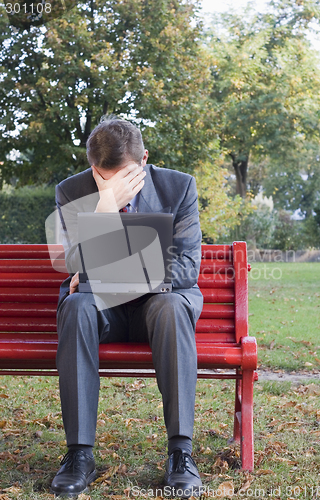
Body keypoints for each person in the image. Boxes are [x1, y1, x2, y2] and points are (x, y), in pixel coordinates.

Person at [50, 116, 204, 498]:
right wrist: (103, 210)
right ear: (92, 167)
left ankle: (180, 452)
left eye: (125, 177)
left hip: (158, 307)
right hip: (104, 311)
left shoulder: (178, 187)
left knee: (170, 305)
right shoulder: (72, 191)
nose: (115, 185)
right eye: (105, 177)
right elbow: (72, 265)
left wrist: (107, 268)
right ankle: (79, 455)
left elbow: (187, 268)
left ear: (145, 159)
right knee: (77, 306)